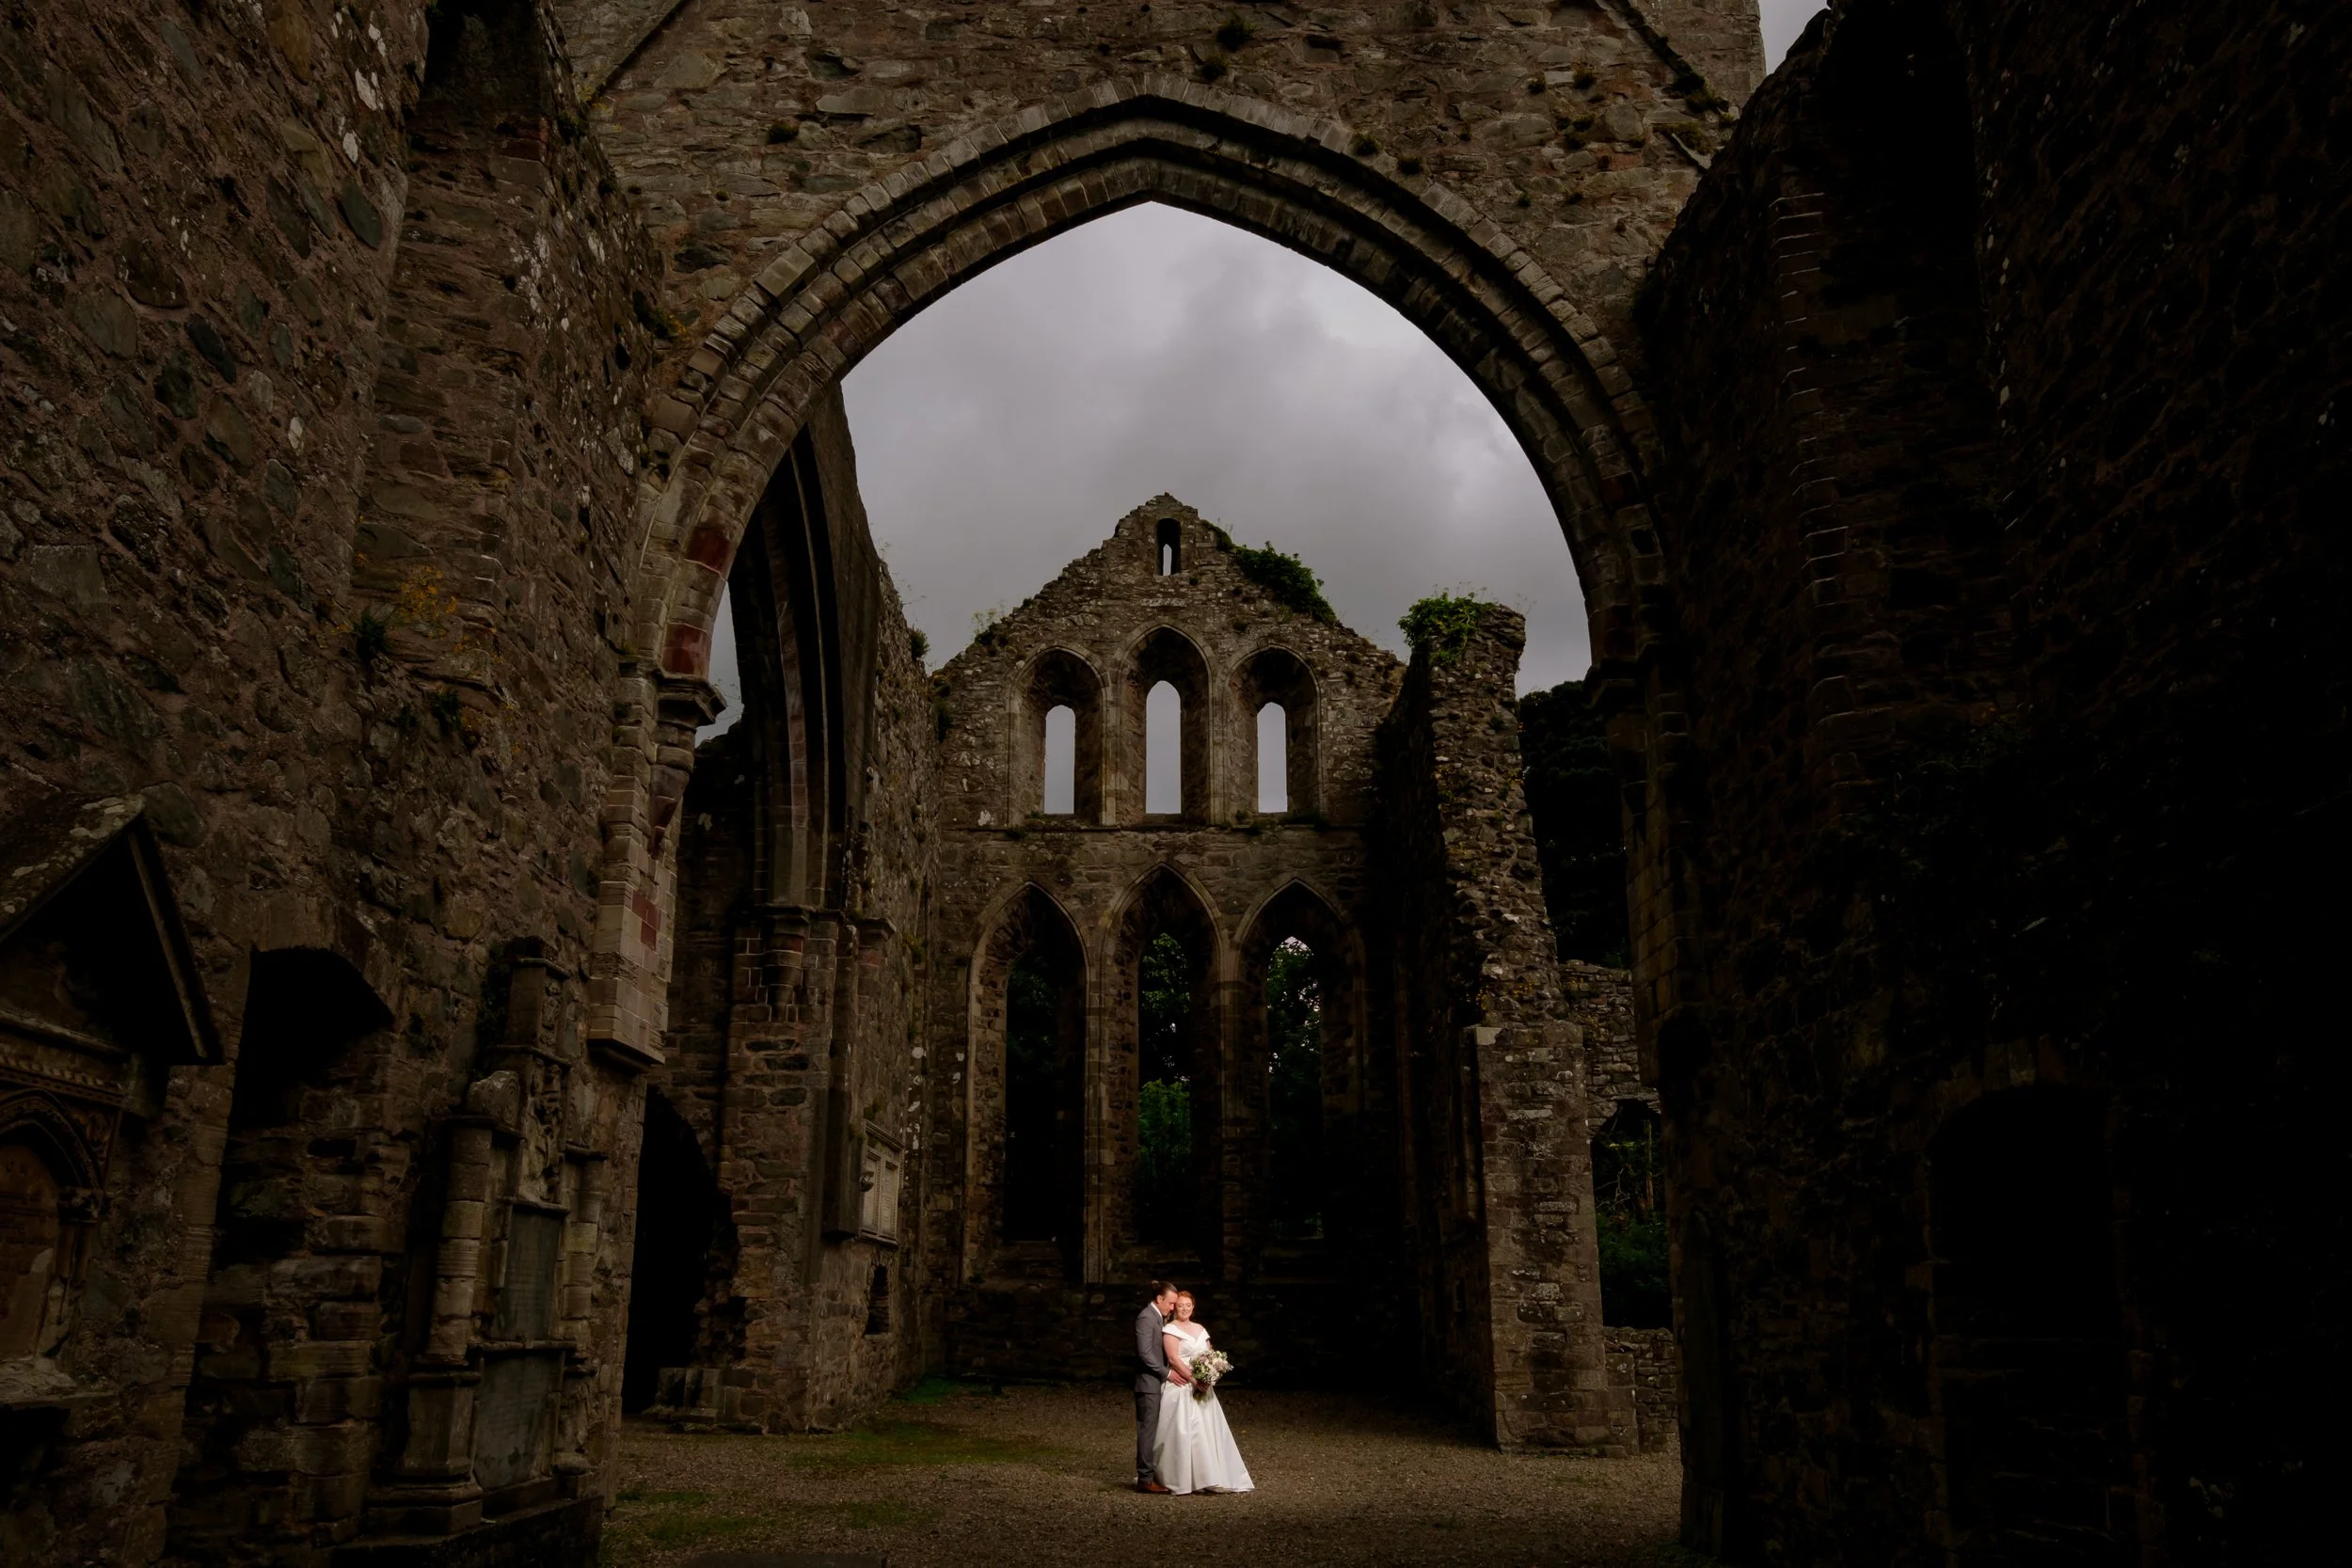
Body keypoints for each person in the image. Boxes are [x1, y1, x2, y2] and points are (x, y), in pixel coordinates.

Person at [1151, 1291, 1255, 1495]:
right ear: (1175, 1308)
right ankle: (1182, 1477)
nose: (1184, 1309)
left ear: (1193, 1307)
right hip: (1183, 1384)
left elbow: (1208, 1355)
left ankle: (1209, 1475)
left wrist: (1209, 1375)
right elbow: (1173, 1359)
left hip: (1202, 1386)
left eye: (1188, 1305)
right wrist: (1193, 1379)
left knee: (1206, 1430)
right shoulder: (1170, 1329)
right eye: (1180, 1305)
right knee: (1183, 1430)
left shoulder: (1200, 1329)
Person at [1134, 1280, 1188, 1493]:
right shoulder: (1146, 1318)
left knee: (1154, 1429)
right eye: (1172, 1303)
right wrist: (1167, 1373)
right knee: (1147, 1430)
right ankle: (1145, 1479)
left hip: (1154, 1382)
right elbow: (1145, 1353)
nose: (1173, 1308)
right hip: (1148, 1384)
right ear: (1159, 1299)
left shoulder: (1157, 1317)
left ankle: (1151, 1474)